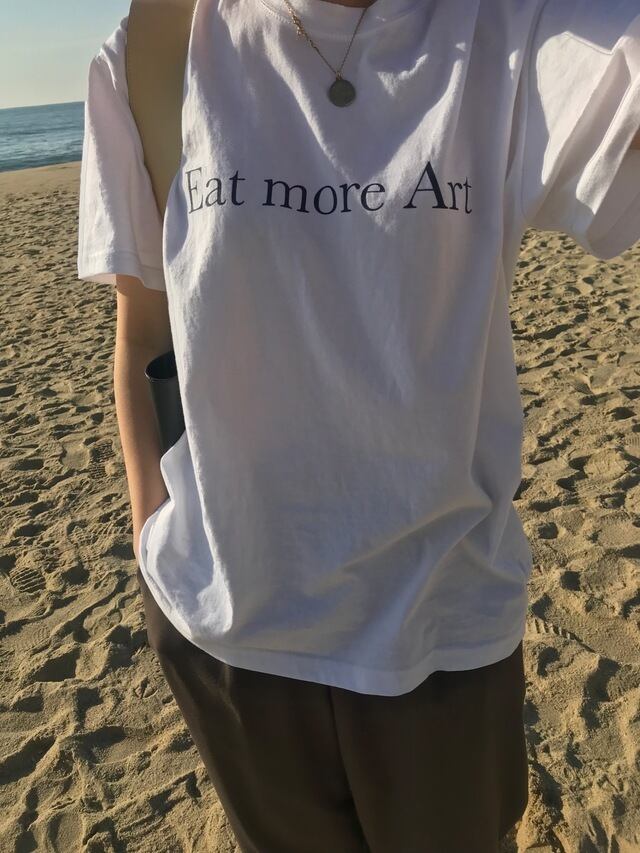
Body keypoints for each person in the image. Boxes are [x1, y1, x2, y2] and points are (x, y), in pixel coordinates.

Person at [77, 0, 640, 850]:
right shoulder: (157, 43)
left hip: (443, 627)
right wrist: (149, 523)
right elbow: (144, 330)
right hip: (229, 630)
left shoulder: (509, 28)